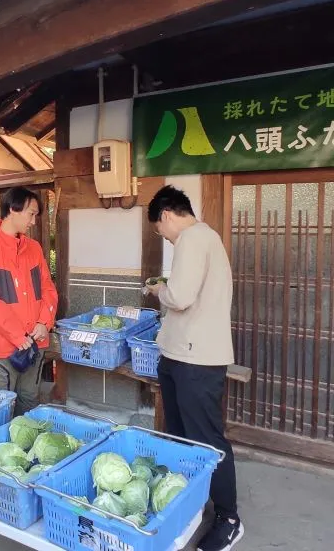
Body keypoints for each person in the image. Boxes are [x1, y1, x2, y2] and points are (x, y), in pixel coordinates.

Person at [145, 185, 243, 551]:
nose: (165, 238)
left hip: (194, 359)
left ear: (166, 215)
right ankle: (193, 504)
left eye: (160, 230)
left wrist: (159, 291)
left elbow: (181, 297)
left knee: (205, 438)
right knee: (185, 435)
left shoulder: (192, 237)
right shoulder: (206, 239)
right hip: (184, 355)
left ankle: (229, 518)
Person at [0, 186, 58, 415]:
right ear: (12, 210)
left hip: (35, 343)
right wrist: (17, 336)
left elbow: (48, 288)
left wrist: (44, 323)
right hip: (2, 347)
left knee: (29, 404)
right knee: (1, 410)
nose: (34, 221)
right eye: (31, 214)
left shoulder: (34, 249)